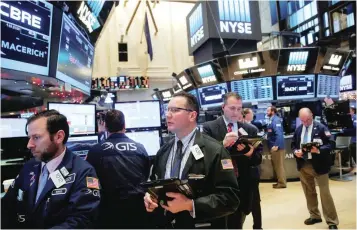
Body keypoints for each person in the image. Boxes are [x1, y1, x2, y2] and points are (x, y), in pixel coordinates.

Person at [143, 91, 240, 229]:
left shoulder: (215, 150)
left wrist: (190, 205)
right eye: (168, 109)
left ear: (192, 115)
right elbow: (155, 184)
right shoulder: (163, 151)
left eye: (175, 110)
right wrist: (150, 196)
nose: (168, 114)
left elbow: (230, 199)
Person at [1, 110, 100, 228]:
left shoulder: (84, 172)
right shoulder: (30, 166)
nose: (29, 145)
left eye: (36, 137)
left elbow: (82, 220)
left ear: (59, 137)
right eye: (29, 138)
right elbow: (6, 205)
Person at [203, 92, 262, 230]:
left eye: (239, 108)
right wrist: (222, 144)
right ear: (223, 107)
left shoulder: (250, 129)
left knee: (237, 224)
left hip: (242, 186)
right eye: (232, 108)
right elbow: (204, 157)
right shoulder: (209, 128)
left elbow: (257, 160)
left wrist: (250, 153)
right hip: (218, 187)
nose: (236, 112)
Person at [86, 109, 151, 228]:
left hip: (108, 213)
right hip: (138, 211)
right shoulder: (140, 148)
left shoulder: (95, 151)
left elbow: (90, 181)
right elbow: (146, 176)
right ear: (125, 126)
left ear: (105, 126)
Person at [291, 108, 339, 229]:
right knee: (309, 192)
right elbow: (293, 145)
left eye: (307, 119)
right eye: (303, 120)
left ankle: (332, 221)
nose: (305, 122)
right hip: (303, 165)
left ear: (312, 115)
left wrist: (318, 150)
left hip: (320, 165)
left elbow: (331, 144)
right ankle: (315, 216)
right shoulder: (298, 129)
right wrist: (296, 151)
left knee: (325, 194)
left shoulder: (321, 127)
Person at [266, 106, 287, 188]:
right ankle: (280, 181)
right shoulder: (272, 120)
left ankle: (282, 183)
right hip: (275, 146)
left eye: (268, 110)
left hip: (277, 148)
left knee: (279, 166)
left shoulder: (276, 120)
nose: (266, 112)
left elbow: (279, 134)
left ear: (273, 111)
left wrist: (276, 146)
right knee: (278, 166)